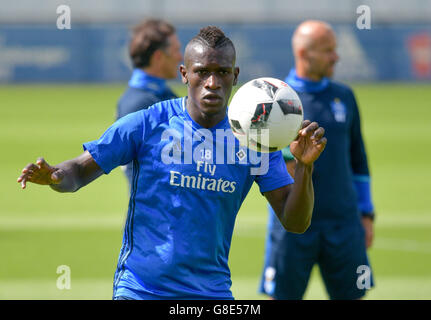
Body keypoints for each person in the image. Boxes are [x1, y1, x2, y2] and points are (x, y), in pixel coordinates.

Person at [17, 26, 327, 300]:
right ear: (184, 74)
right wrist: (56, 176)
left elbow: (295, 222)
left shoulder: (255, 139)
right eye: (202, 71)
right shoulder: (147, 123)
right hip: (141, 290)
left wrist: (305, 166)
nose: (212, 82)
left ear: (235, 76)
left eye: (221, 72)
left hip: (212, 292)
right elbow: (81, 171)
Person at [260, 20, 375, 300]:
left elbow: (358, 160)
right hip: (292, 222)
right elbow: (264, 160)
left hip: (344, 223)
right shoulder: (276, 99)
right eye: (328, 50)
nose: (336, 56)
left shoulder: (344, 96)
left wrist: (366, 214)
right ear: (304, 54)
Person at [117, 19, 182, 186]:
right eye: (176, 50)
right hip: (156, 210)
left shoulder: (161, 94)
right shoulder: (138, 104)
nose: (180, 57)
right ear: (159, 56)